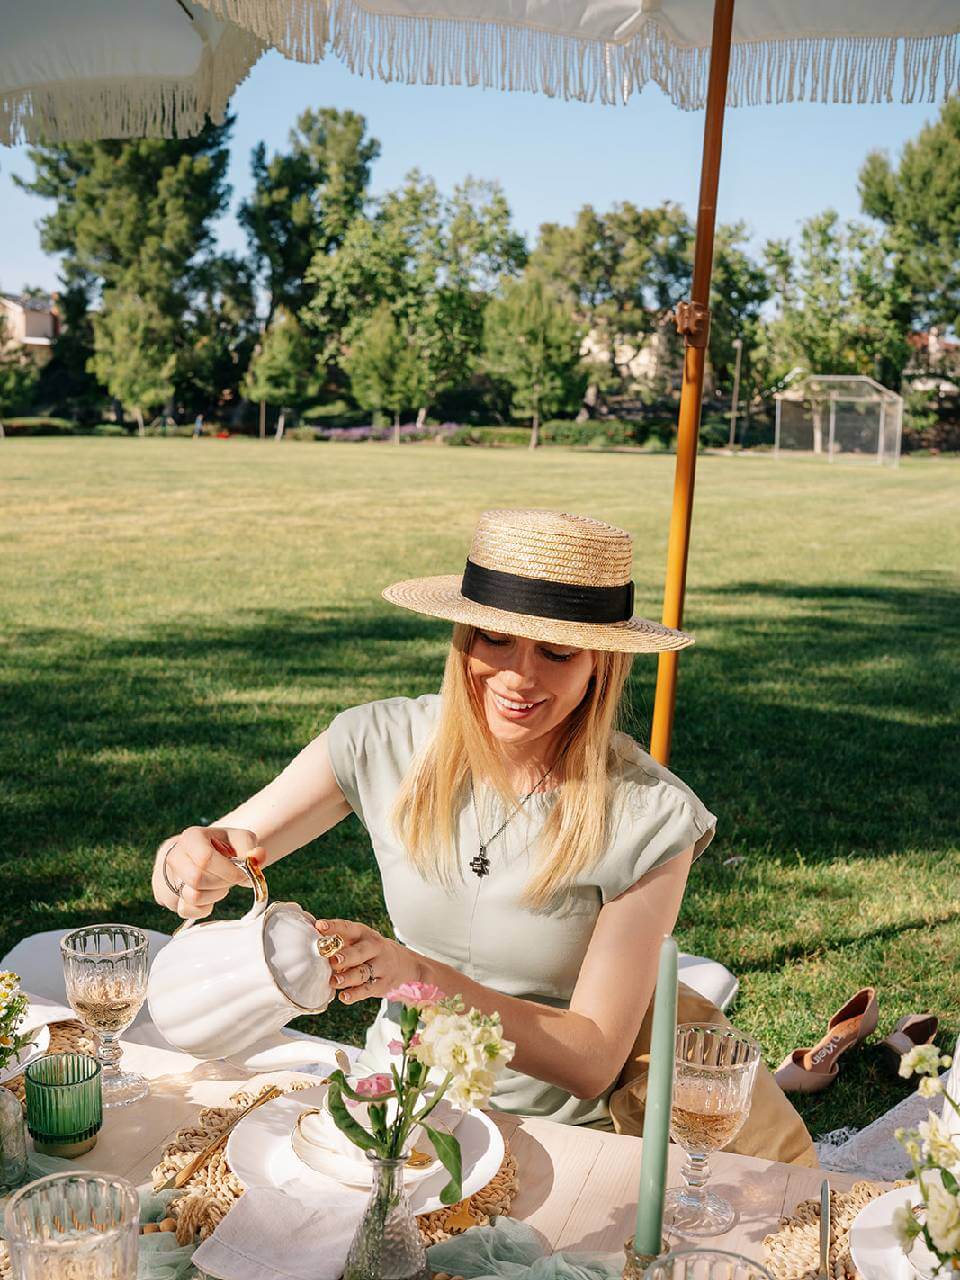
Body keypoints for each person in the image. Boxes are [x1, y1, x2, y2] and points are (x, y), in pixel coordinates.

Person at [152, 508, 815, 1165]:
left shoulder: (651, 816)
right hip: (390, 1098)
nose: (518, 676)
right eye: (495, 640)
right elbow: (227, 845)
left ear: (600, 666)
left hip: (554, 1136)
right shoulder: (378, 741)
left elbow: (590, 1061)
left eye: (556, 652)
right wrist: (188, 865)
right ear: (463, 636)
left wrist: (418, 978)